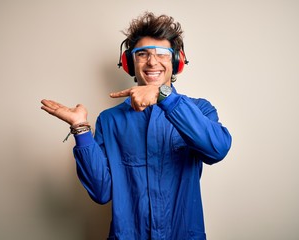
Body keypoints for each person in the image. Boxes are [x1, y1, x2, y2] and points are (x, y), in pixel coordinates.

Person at [41, 12, 232, 240]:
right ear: (130, 63)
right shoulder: (110, 120)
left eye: (162, 53)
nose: (152, 61)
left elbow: (218, 149)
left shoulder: (199, 110)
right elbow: (102, 192)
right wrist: (80, 129)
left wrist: (164, 96)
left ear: (176, 61)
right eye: (142, 54)